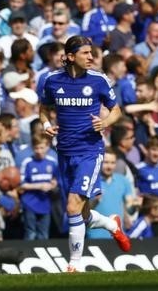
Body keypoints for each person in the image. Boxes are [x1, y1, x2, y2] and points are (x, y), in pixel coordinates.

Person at [40, 35, 131, 272]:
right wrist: (46, 125)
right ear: (70, 57)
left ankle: (74, 264)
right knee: (81, 212)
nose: (91, 57)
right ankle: (111, 224)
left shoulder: (99, 80)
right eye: (85, 53)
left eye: (92, 53)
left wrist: (104, 122)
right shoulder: (51, 81)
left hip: (90, 151)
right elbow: (43, 109)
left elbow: (116, 110)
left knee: (72, 206)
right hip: (64, 151)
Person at [18, 133, 57, 241]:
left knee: (43, 234)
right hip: (29, 203)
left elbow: (57, 179)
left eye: (42, 147)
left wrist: (54, 184)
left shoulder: (52, 162)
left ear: (47, 147)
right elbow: (21, 184)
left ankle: (42, 257)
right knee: (30, 232)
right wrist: (39, 186)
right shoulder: (27, 162)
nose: (39, 151)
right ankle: (28, 256)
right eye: (36, 148)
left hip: (45, 203)